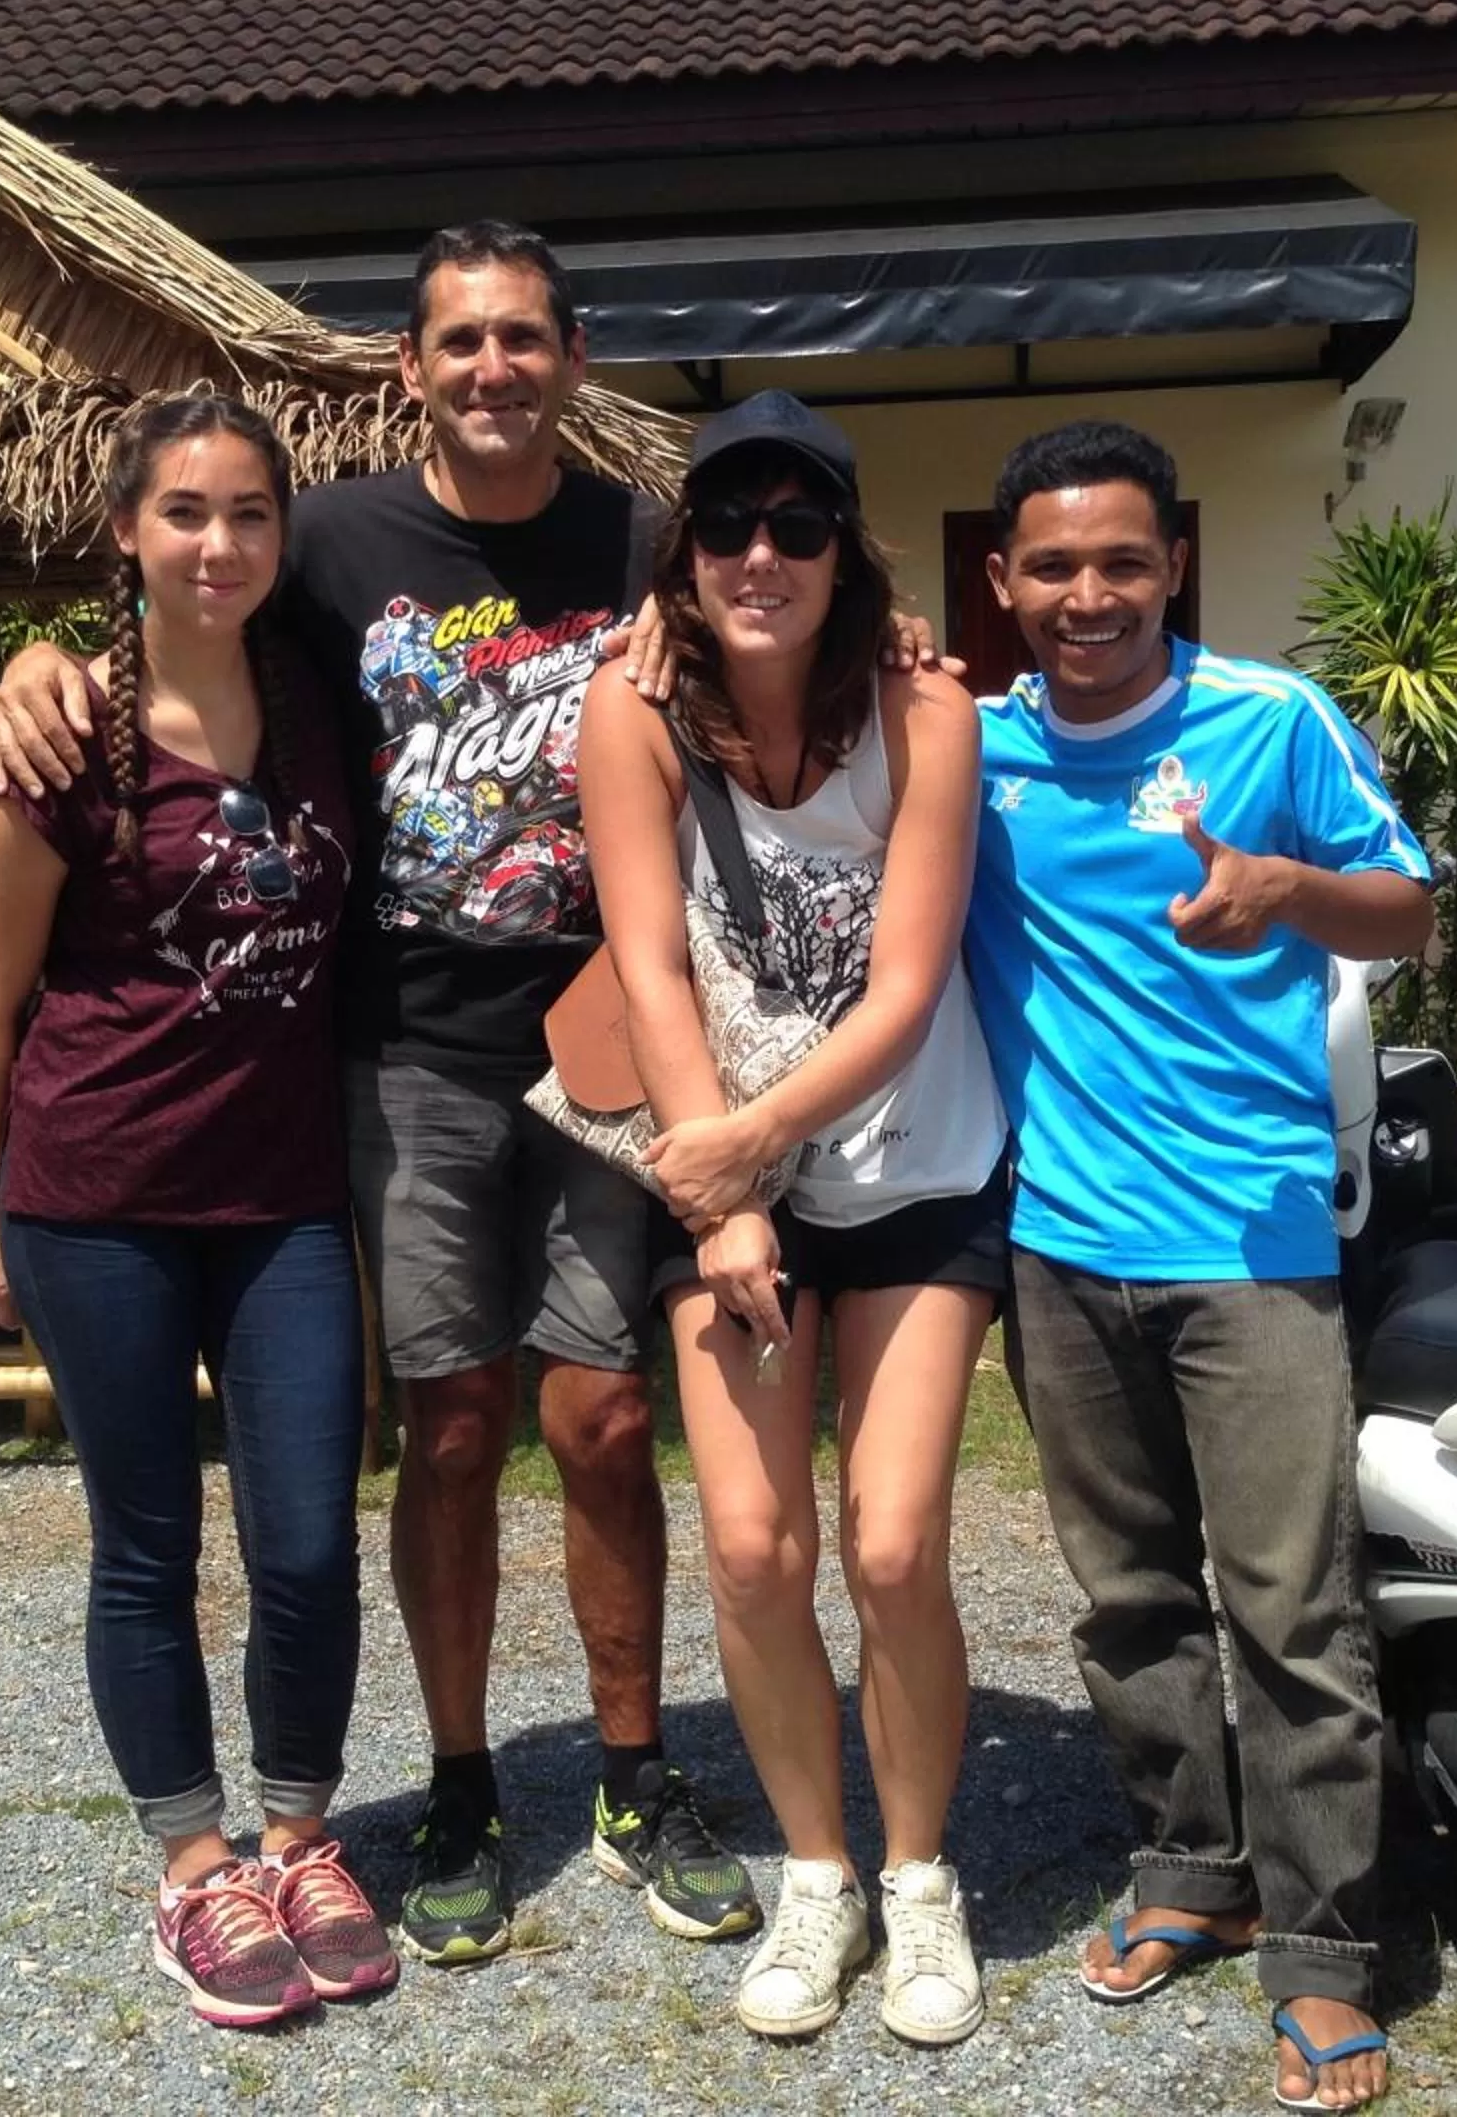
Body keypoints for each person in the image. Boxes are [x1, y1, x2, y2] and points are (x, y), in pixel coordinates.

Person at [0, 224, 760, 1964]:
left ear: (573, 358)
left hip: (602, 1039)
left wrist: (905, 626)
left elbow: (789, 630)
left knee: (605, 1420)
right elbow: (180, 619)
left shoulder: (641, 539)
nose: (494, 368)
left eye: (525, 340)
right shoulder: (326, 539)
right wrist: (32, 669)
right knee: (455, 1425)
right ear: (407, 368)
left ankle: (633, 1769)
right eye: (459, 342)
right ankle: (467, 1781)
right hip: (405, 1050)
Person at [965, 421, 1432, 2112]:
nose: (1088, 595)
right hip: (1058, 1242)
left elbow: (1409, 909)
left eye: (1122, 562)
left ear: (1174, 565)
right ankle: (1191, 1862)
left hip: (1255, 1240)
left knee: (1293, 1605)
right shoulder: (975, 751)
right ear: (1004, 580)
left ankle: (1323, 1949)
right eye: (1053, 566)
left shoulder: (1274, 721)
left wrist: (1293, 887)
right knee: (1129, 1593)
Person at [0, 393, 394, 2029]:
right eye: (187, 514)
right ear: (127, 532)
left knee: (306, 1539)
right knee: (145, 1546)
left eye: (251, 515)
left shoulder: (321, 705)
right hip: (96, 1201)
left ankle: (298, 1833)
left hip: (279, 1202)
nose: (222, 543)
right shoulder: (60, 743)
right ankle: (194, 1866)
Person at [578, 393, 1006, 2047]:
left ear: (849, 550)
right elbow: (649, 960)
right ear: (685, 553)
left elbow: (905, 989)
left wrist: (742, 1149)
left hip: (910, 1161)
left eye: (801, 526)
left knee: (892, 1542)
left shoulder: (923, 709)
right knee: (757, 1549)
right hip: (723, 1167)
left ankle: (916, 1876)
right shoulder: (635, 713)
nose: (764, 555)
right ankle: (815, 1868)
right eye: (730, 525)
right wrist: (726, 1183)